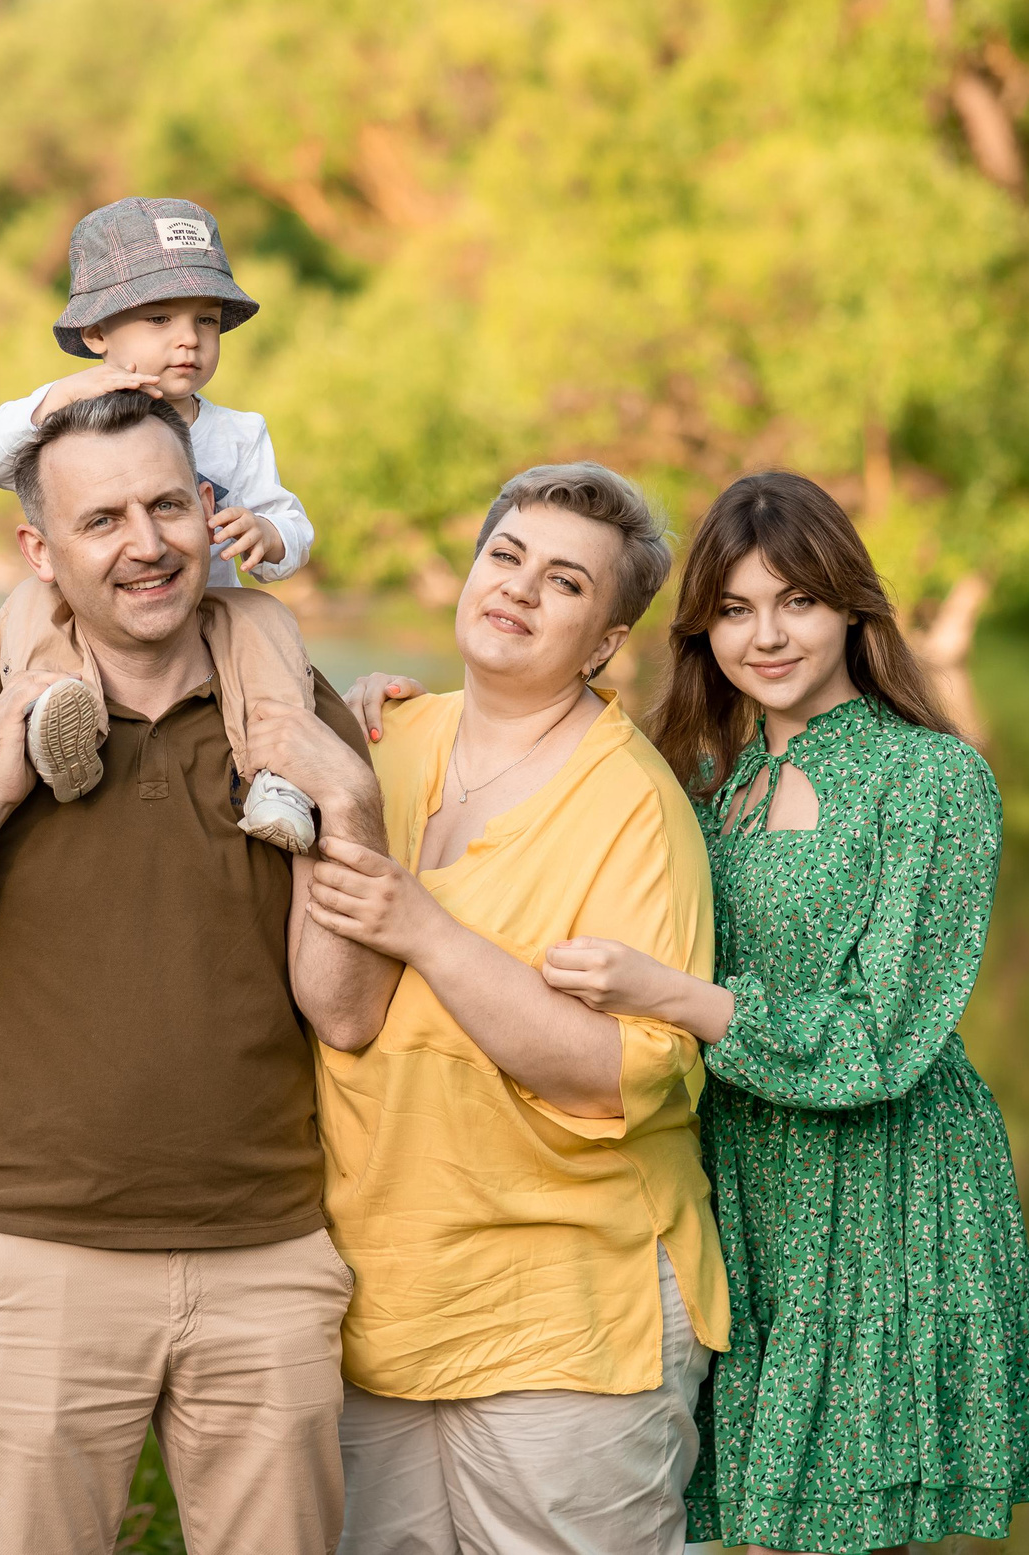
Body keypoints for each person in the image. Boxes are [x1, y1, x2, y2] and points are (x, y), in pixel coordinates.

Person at [0, 389, 402, 1555]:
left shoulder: (285, 709)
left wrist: (353, 800)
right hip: (42, 1266)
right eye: (103, 521)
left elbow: (344, 1012)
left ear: (206, 508)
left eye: (169, 506)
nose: (148, 545)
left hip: (268, 1264)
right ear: (39, 551)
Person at [544, 471, 1029, 1550]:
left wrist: (675, 999)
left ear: (850, 608)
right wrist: (383, 708)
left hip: (875, 1185)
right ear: (702, 629)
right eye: (735, 610)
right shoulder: (697, 773)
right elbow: (537, 775)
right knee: (717, 1515)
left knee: (838, 1528)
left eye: (797, 602)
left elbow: (881, 1037)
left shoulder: (928, 780)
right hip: (727, 1176)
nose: (767, 636)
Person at [310, 462, 728, 1555]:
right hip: (382, 1291)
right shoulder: (379, 744)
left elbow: (626, 1072)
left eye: (564, 584)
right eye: (505, 558)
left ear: (601, 642)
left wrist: (430, 932)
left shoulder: (633, 808)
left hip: (568, 1310)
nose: (518, 590)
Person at [0, 195, 322, 851]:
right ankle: (57, 712)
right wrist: (54, 399)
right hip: (100, 605)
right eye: (160, 317)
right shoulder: (71, 413)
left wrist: (267, 536)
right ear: (98, 333)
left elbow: (292, 524)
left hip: (201, 602)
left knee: (266, 622)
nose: (188, 338)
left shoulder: (237, 434)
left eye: (206, 320)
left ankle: (278, 772)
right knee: (28, 605)